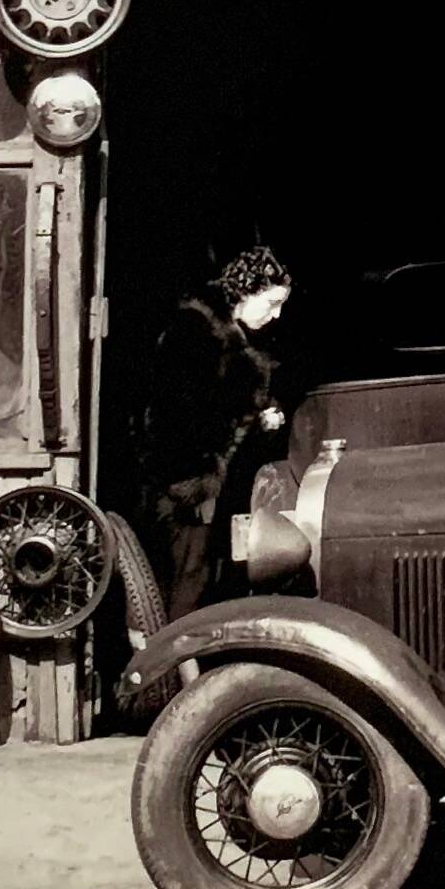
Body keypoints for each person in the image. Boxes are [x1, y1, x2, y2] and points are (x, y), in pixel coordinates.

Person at [133, 245, 293, 618]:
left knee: (201, 580)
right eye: (271, 302)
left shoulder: (239, 336)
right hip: (184, 485)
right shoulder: (195, 332)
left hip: (209, 485)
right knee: (184, 581)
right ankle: (170, 669)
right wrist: (193, 483)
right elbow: (178, 415)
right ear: (246, 290)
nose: (277, 314)